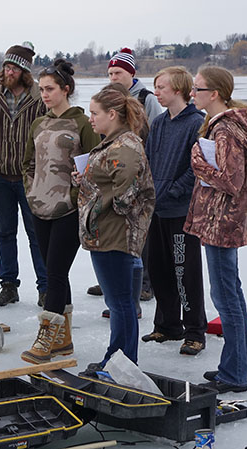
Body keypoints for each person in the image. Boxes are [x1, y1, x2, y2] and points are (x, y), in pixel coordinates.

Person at [20, 59, 101, 364]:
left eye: (50, 89)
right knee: (57, 272)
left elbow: (92, 163)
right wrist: (31, 191)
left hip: (68, 209)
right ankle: (63, 341)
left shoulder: (81, 123)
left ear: (66, 89)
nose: (44, 94)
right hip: (39, 207)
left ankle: (46, 336)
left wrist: (77, 196)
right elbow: (28, 162)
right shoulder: (38, 123)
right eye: (41, 89)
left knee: (54, 272)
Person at [185, 66, 247, 394]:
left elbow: (230, 180)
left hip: (222, 222)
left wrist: (198, 162)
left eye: (197, 89)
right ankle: (240, 364)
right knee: (231, 292)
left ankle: (235, 373)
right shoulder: (221, 126)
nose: (192, 94)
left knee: (226, 295)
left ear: (213, 94)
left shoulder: (225, 130)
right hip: (223, 220)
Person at [76, 83, 155, 370]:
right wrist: (86, 182)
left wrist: (98, 200)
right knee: (119, 302)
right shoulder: (115, 142)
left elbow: (126, 195)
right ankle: (119, 359)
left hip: (115, 234)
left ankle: (121, 362)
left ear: (112, 114)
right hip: (106, 232)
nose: (90, 118)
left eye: (94, 113)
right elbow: (108, 183)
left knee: (120, 304)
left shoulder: (126, 147)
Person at [141, 66, 208, 356]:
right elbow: (148, 159)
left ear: (179, 90)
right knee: (158, 268)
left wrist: (173, 190)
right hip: (156, 209)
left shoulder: (196, 123)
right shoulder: (159, 123)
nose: (156, 92)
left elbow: (198, 168)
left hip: (181, 210)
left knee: (185, 272)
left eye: (162, 88)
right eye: (155, 87)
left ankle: (195, 331)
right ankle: (168, 324)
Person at [0, 42, 48, 307]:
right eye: (6, 66)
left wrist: (38, 172)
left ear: (24, 71)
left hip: (30, 181)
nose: (8, 71)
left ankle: (45, 287)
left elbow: (48, 137)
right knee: (6, 233)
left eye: (14, 68)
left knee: (36, 235)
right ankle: (8, 286)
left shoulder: (39, 98)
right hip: (0, 180)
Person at [90, 47, 162, 303]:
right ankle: (109, 280)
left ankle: (143, 284)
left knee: (137, 231)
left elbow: (156, 134)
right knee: (112, 229)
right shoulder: (107, 99)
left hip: (138, 170)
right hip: (113, 171)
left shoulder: (146, 97)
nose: (113, 77)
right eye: (110, 73)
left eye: (118, 72)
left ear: (130, 72)